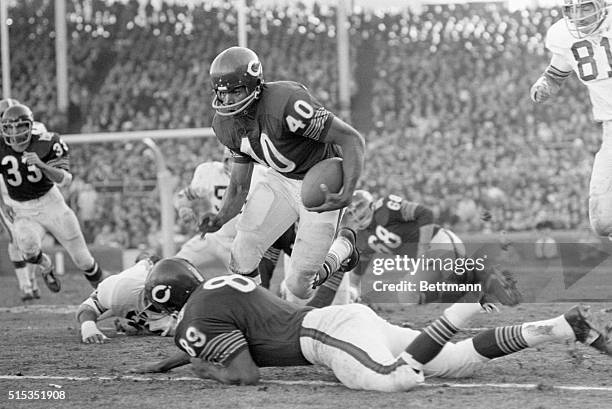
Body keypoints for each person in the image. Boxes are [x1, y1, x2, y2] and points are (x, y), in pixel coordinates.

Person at [130, 261, 611, 391]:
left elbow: (243, 374)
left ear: (165, 297)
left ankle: (468, 303)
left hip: (324, 337)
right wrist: (182, 356)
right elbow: (231, 328)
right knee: (456, 363)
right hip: (341, 323)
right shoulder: (213, 288)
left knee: (395, 380)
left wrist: (201, 369)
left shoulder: (194, 318)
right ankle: (564, 327)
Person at [199, 46, 365, 300]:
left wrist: (347, 192)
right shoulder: (224, 125)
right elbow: (240, 186)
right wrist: (221, 218)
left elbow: (352, 140)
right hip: (278, 179)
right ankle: (254, 312)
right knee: (242, 254)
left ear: (255, 86)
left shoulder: (287, 102)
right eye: (223, 93)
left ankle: (343, 247)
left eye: (236, 91)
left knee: (299, 285)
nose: (229, 100)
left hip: (318, 181)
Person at [339, 190, 519, 305]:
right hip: (429, 260)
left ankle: (485, 276)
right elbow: (358, 270)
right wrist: (353, 295)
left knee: (450, 282)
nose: (356, 213)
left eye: (359, 206)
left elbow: (425, 213)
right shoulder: (362, 236)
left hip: (440, 242)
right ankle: (479, 284)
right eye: (352, 211)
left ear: (371, 203)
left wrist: (422, 252)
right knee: (407, 296)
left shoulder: (386, 207)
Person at [0, 103, 107, 293]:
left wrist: (42, 165)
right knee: (27, 246)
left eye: (20, 126)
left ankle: (109, 293)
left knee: (84, 260)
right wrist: (2, 204)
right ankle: (45, 265)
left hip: (51, 204)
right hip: (22, 208)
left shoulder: (47, 141)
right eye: (9, 127)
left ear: (30, 126)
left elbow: (64, 179)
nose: (15, 132)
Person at [530, 0, 612, 237]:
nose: (579, 15)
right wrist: (544, 84)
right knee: (603, 222)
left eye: (586, 7)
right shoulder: (562, 35)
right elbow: (556, 74)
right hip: (610, 127)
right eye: (572, 9)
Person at [76, 255, 196, 344]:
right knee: (148, 261)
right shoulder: (123, 290)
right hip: (141, 275)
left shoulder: (183, 314)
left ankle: (133, 322)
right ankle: (144, 258)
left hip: (148, 305)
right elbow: (87, 307)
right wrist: (88, 327)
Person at [0, 98, 40, 301]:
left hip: (31, 196)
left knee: (32, 239)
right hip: (8, 199)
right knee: (16, 239)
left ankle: (31, 280)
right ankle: (25, 285)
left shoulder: (34, 136)